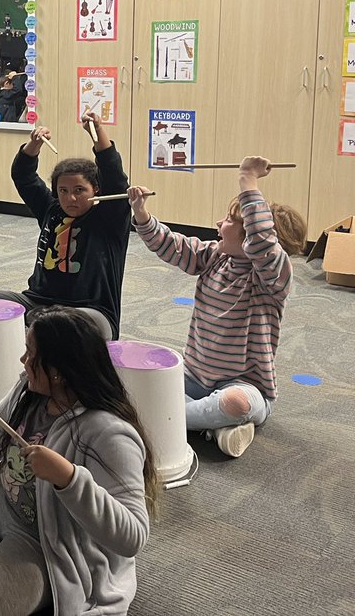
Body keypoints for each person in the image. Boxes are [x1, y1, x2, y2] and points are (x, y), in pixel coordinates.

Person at [0, 306, 156, 616]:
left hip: (49, 539)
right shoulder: (31, 388)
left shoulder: (110, 434)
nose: (23, 361)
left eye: (30, 355)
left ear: (58, 370)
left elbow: (133, 537)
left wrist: (69, 479)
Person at [128, 156, 307, 458]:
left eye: (228, 221)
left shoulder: (272, 277)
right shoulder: (216, 256)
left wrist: (247, 179)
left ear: (250, 234)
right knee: (144, 380)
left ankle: (167, 419)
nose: (218, 224)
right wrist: (142, 215)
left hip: (243, 385)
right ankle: (210, 425)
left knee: (236, 404)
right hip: (195, 376)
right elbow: (173, 246)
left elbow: (264, 243)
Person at [0, 112, 129, 340]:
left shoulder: (109, 218)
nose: (71, 199)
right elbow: (23, 176)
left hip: (90, 311)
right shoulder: (51, 209)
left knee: (72, 326)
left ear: (96, 189)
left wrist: (97, 132)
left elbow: (114, 175)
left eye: (80, 190)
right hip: (38, 303)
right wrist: (34, 144)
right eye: (63, 191)